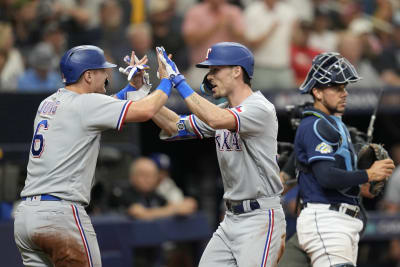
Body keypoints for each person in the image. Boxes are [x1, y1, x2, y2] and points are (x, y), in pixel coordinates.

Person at [13, 44, 173, 266]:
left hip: (26, 217)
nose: (106, 76)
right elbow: (145, 111)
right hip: (60, 215)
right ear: (88, 75)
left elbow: (102, 107)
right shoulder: (86, 104)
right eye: (102, 71)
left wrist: (132, 87)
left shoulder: (48, 103)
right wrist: (167, 80)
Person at [152, 42, 286, 267]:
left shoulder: (260, 108)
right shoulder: (223, 109)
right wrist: (143, 94)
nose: (210, 76)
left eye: (216, 70)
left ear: (237, 71)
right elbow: (174, 126)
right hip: (231, 218)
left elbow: (215, 119)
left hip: (260, 217)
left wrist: (179, 81)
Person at [293, 52, 395, 267]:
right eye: (337, 88)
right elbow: (326, 177)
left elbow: (338, 178)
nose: (344, 93)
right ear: (317, 92)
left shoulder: (335, 124)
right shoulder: (314, 125)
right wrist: (368, 174)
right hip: (326, 218)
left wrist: (361, 184)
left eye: (345, 87)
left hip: (342, 219)